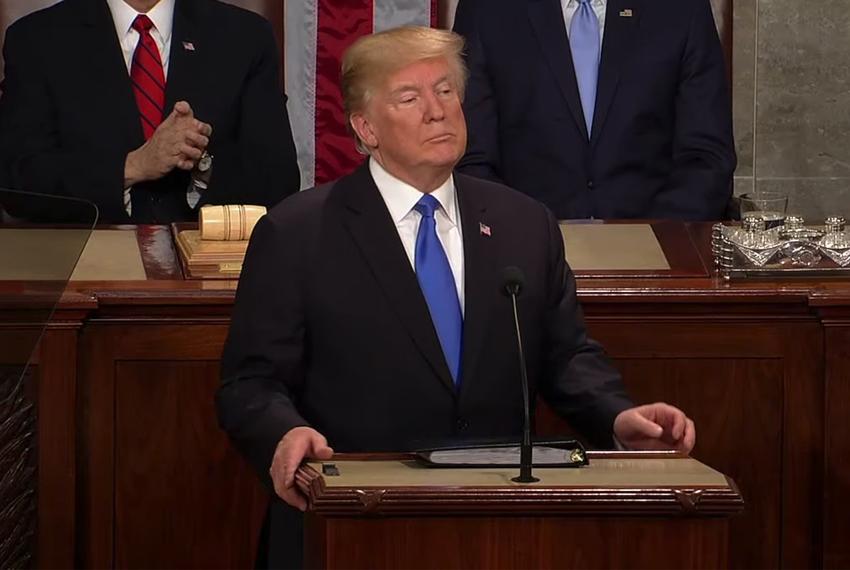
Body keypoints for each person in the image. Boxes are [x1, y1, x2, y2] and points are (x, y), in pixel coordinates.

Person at [216, 26, 695, 568]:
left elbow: (566, 357)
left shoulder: (523, 223)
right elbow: (250, 383)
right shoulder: (299, 232)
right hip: (350, 522)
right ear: (365, 127)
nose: (437, 111)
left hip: (497, 527)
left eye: (445, 90)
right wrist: (285, 434)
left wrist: (618, 417)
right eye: (410, 97)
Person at [0, 0, 300, 224]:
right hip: (84, 278)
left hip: (210, 279)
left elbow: (278, 180)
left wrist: (201, 166)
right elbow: (17, 182)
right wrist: (132, 167)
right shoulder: (36, 39)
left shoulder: (245, 37)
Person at [453, 0, 736, 220]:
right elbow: (470, 156)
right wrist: (522, 235)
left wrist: (655, 237)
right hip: (525, 253)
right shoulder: (487, 10)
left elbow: (706, 157)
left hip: (657, 246)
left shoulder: (679, 10)